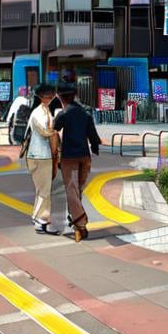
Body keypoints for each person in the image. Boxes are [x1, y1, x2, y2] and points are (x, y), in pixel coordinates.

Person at [53, 76, 102, 242]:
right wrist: (95, 147)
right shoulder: (85, 112)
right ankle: (75, 222)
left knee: (71, 191)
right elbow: (93, 136)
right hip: (85, 157)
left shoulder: (63, 114)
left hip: (69, 158)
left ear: (60, 97)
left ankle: (80, 223)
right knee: (77, 190)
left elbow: (53, 130)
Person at [24, 83, 61, 235]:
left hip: (39, 155)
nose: (52, 97)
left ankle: (37, 217)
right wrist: (56, 132)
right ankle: (42, 221)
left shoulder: (44, 110)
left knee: (42, 190)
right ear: (42, 97)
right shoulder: (39, 113)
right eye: (50, 95)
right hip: (41, 156)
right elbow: (45, 131)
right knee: (44, 191)